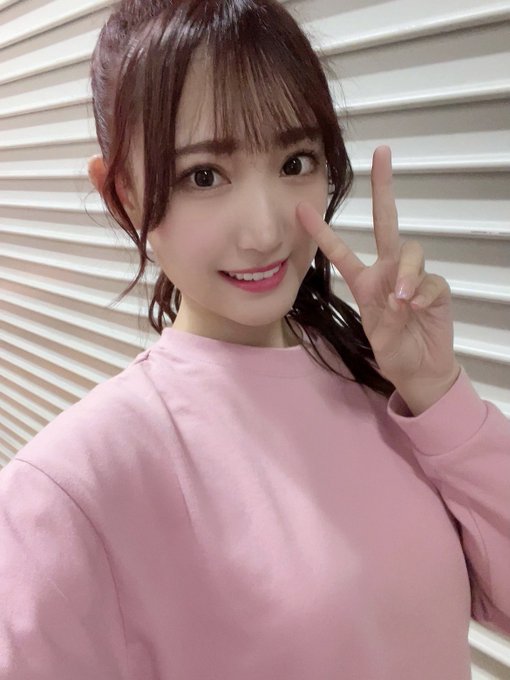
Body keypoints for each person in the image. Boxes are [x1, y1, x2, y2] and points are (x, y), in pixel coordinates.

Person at [0, 0, 509, 678]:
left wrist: (437, 391)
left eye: (295, 161)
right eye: (203, 175)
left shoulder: (376, 381)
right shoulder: (68, 492)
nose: (267, 231)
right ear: (123, 195)